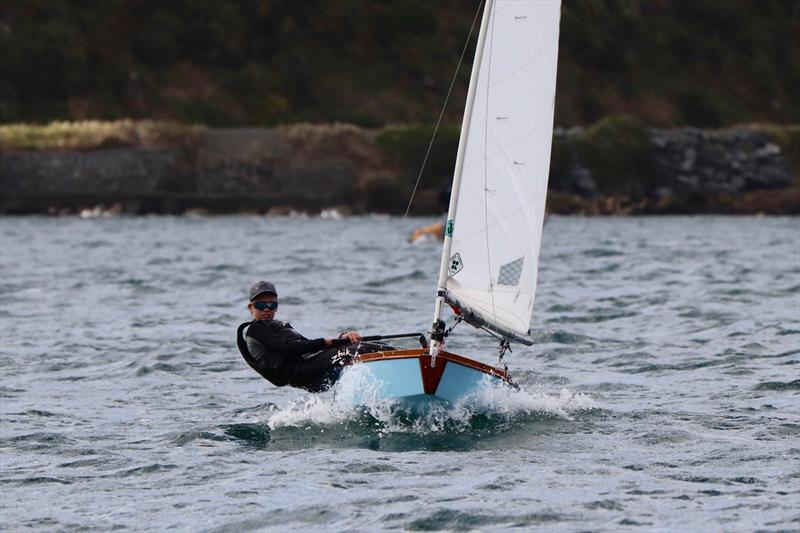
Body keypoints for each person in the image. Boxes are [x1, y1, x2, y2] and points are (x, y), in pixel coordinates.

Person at [237, 281, 389, 392]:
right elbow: (290, 349)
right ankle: (409, 361)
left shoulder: (278, 326)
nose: (267, 309)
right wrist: (327, 341)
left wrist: (342, 338)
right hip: (302, 373)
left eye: (272, 305)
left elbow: (307, 345)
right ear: (251, 307)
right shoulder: (255, 330)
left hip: (310, 365)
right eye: (261, 306)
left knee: (354, 347)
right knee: (358, 349)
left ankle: (396, 368)